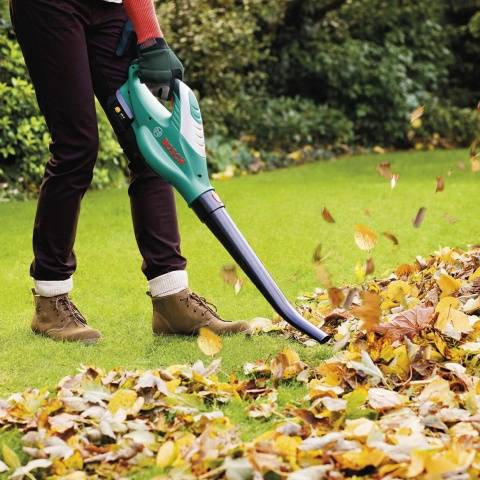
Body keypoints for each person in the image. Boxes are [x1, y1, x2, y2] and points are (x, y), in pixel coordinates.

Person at [9, 0, 251, 344]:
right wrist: (151, 36)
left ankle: (171, 297)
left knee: (152, 146)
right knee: (76, 146)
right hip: (50, 7)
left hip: (109, 8)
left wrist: (152, 39)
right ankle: (50, 301)